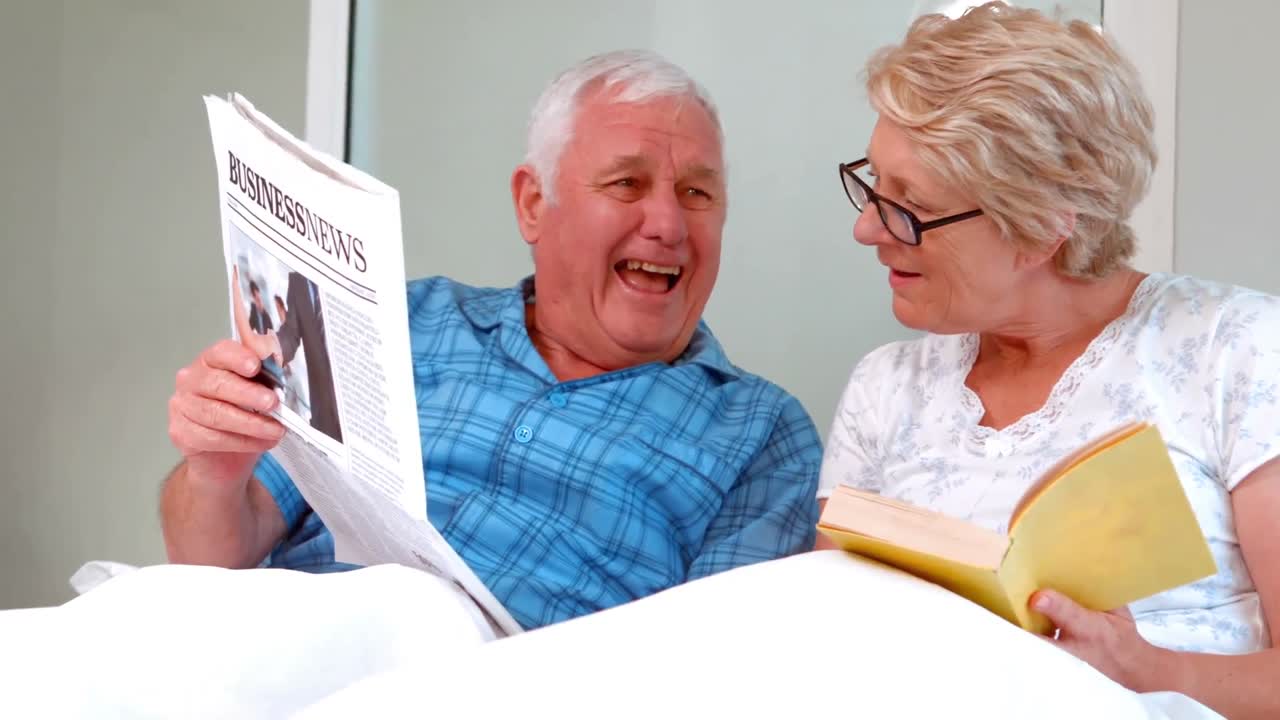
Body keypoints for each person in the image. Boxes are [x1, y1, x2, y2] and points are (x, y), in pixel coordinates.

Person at [163, 49, 822, 633]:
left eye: (697, 192)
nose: (669, 224)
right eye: (627, 184)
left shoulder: (761, 433)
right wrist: (215, 472)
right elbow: (209, 559)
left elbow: (715, 668)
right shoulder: (409, 321)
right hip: (285, 641)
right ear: (534, 204)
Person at [816, 4, 1279, 717]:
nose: (866, 227)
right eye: (873, 183)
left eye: (908, 206)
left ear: (1037, 231)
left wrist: (1151, 670)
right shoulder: (886, 389)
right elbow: (824, 646)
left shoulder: (1238, 349)